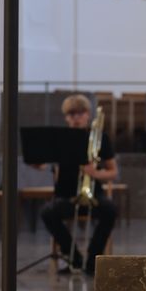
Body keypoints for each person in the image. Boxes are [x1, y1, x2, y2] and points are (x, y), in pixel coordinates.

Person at [38, 93, 118, 277]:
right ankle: (73, 257)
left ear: (88, 114)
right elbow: (45, 164)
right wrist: (36, 163)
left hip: (93, 195)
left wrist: (95, 173)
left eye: (80, 113)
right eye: (71, 114)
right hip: (66, 196)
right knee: (47, 213)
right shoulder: (59, 139)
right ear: (66, 117)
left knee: (110, 211)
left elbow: (113, 172)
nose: (76, 117)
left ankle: (93, 259)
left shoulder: (100, 138)